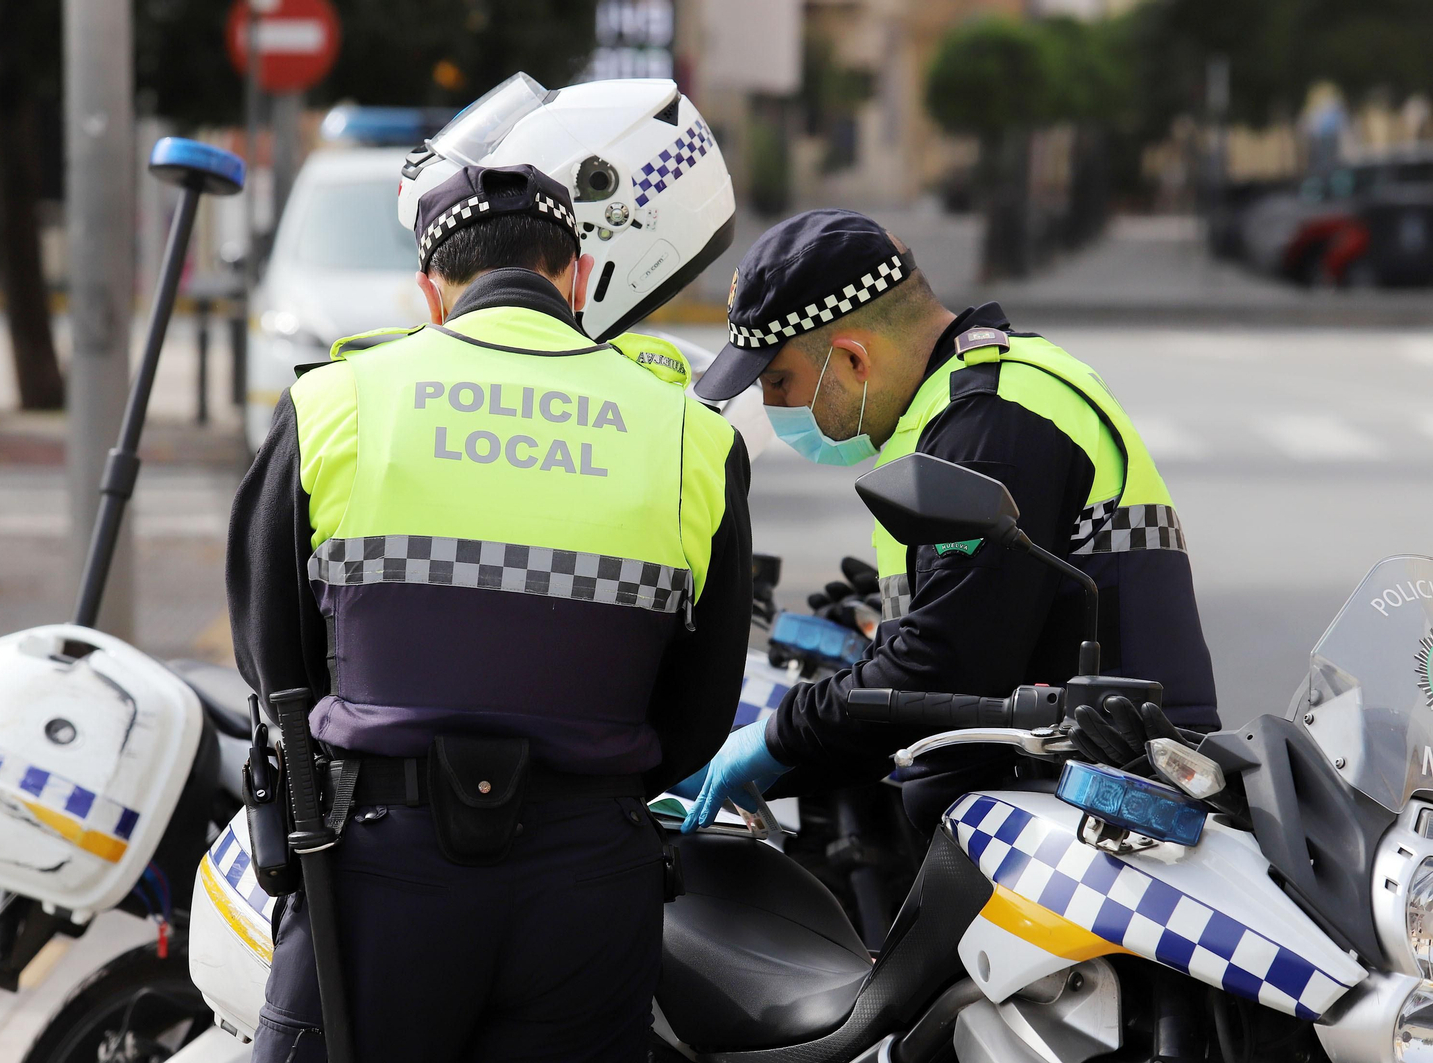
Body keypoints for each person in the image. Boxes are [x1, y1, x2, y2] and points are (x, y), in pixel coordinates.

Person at [226, 159, 753, 1059]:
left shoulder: (336, 401)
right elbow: (702, 707)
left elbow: (274, 661)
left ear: (431, 292)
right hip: (588, 878)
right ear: (578, 280)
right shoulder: (691, 435)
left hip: (380, 873)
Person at [681, 208, 1218, 832]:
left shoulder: (991, 426)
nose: (772, 405)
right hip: (1055, 793)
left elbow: (944, 666)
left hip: (1097, 812)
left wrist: (777, 741)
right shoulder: (972, 397)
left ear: (853, 360)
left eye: (779, 381)